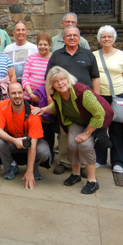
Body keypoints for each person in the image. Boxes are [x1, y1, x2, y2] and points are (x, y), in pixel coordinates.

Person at [32, 66, 113, 194]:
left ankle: (92, 181)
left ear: (68, 79)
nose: (60, 83)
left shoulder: (82, 92)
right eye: (56, 81)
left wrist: (87, 133)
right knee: (71, 144)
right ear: (51, 84)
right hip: (76, 122)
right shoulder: (58, 94)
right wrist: (44, 110)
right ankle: (76, 174)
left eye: (63, 79)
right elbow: (56, 105)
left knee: (85, 146)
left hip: (92, 122)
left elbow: (99, 114)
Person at [45, 26, 100, 175]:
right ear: (63, 38)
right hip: (63, 102)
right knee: (64, 133)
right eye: (68, 35)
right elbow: (49, 79)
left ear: (79, 38)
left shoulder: (88, 55)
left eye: (75, 35)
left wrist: (97, 98)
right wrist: (51, 100)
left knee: (84, 134)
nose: (72, 38)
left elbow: (95, 77)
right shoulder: (56, 55)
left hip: (84, 101)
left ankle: (83, 165)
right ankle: (64, 161)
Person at [0, 83, 51, 188]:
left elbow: (33, 144)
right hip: (13, 141)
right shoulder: (2, 105)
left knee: (44, 150)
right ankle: (11, 166)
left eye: (19, 92)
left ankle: (33, 169)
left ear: (24, 94)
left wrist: (29, 171)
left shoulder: (33, 112)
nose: (17, 96)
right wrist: (15, 141)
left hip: (30, 142)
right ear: (8, 95)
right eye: (13, 93)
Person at [93, 25, 123, 173]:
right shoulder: (94, 55)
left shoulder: (122, 56)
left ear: (113, 38)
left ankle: (118, 161)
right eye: (104, 37)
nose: (106, 39)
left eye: (109, 37)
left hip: (118, 96)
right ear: (99, 39)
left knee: (116, 129)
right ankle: (100, 158)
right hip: (101, 96)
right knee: (101, 127)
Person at [22, 32, 56, 159]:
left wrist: (43, 96)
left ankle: (48, 155)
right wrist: (31, 94)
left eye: (45, 44)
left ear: (50, 45)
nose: (42, 47)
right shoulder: (31, 58)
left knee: (47, 128)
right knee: (29, 125)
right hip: (29, 98)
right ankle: (28, 153)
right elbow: (25, 78)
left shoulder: (53, 59)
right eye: (40, 44)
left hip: (46, 99)